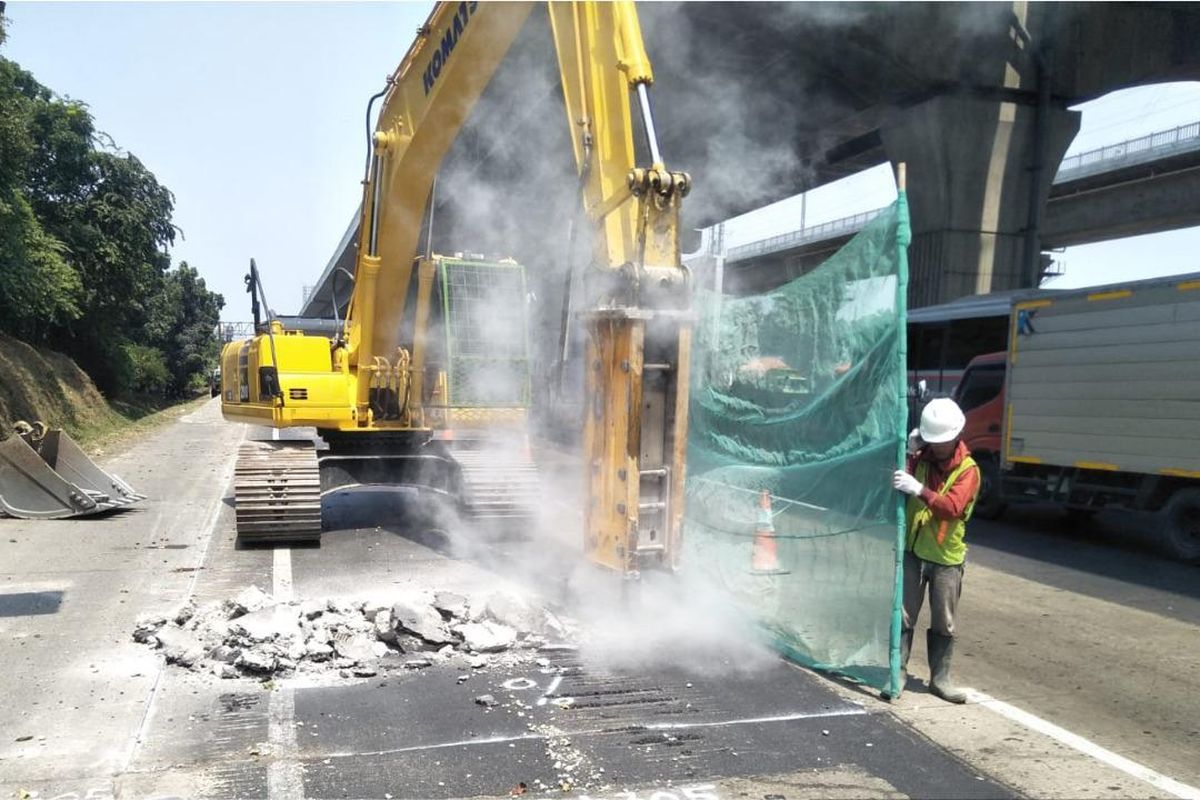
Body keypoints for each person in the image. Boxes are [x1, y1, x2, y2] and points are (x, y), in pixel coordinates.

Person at [892, 397, 980, 703]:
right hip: (914, 551)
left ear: (956, 436)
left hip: (945, 558)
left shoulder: (969, 470)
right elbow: (896, 481)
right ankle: (897, 673)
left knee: (944, 620)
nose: (937, 447)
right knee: (903, 616)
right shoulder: (921, 459)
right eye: (933, 441)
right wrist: (907, 452)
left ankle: (940, 679)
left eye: (942, 442)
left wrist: (918, 489)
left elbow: (952, 508)